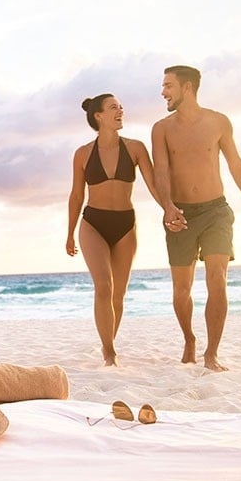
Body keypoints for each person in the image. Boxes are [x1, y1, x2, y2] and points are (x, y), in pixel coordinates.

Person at [151, 65, 241, 372]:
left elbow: (235, 162)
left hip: (216, 211)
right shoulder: (162, 128)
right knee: (181, 290)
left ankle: (212, 353)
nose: (163, 92)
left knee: (217, 280)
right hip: (180, 213)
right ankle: (189, 340)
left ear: (187, 88)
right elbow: (161, 171)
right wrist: (167, 207)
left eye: (168, 85)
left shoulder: (219, 121)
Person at [67, 94, 162, 366]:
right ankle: (109, 352)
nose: (120, 111)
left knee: (118, 293)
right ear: (99, 116)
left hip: (125, 224)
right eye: (113, 108)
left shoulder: (135, 148)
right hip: (93, 223)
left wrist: (168, 209)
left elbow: (154, 184)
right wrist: (70, 232)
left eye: (120, 106)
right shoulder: (83, 153)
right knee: (103, 287)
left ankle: (109, 342)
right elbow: (76, 196)